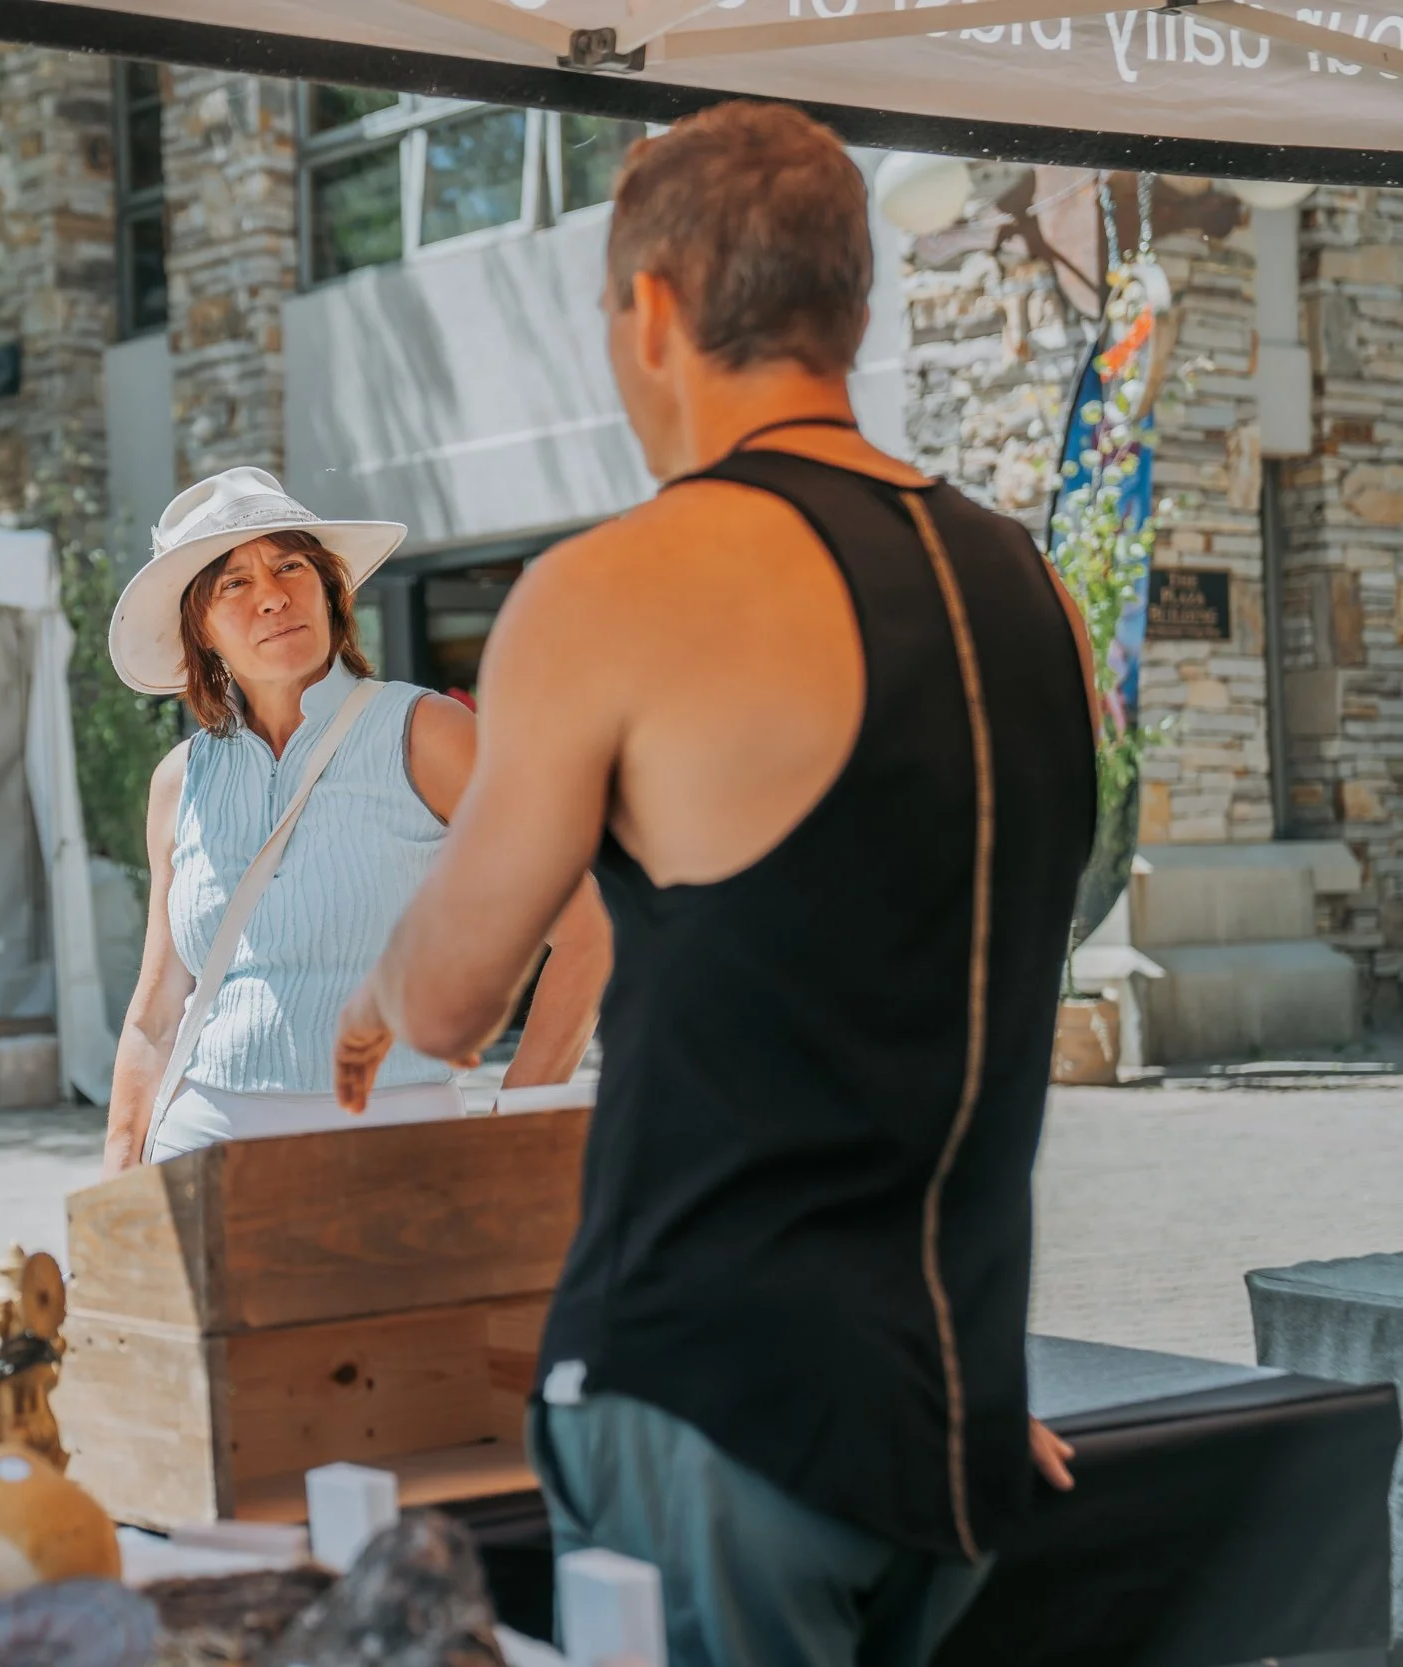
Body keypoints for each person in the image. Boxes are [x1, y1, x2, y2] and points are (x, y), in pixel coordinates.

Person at [333, 104, 1098, 1666]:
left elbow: (452, 996)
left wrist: (373, 987)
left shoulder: (616, 586)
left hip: (720, 1395)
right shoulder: (1034, 591)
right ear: (855, 308)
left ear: (655, 310)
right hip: (953, 1408)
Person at [101, 466, 611, 1175]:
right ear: (202, 630)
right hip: (200, 1155)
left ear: (329, 590)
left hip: (397, 1152)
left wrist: (512, 1131)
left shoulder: (427, 733)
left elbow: (588, 935)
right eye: (234, 583)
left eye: (290, 566)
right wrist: (117, 1183)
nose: (272, 596)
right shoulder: (180, 780)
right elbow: (156, 1017)